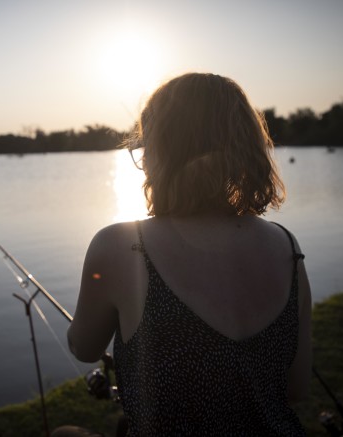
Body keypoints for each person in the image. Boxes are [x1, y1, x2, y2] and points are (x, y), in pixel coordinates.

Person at [65, 73, 312, 436]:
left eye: (146, 147)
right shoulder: (286, 246)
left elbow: (84, 348)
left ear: (161, 152)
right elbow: (297, 388)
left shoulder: (120, 246)